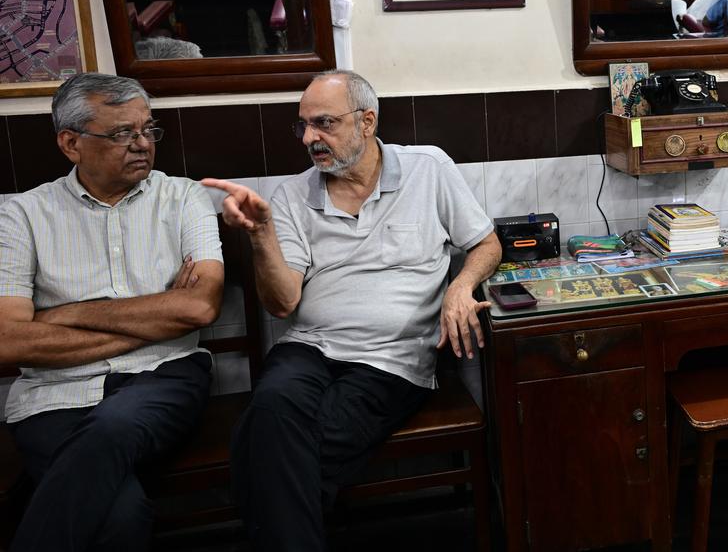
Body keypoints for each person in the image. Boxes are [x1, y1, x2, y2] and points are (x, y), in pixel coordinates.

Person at [202, 70, 501, 552]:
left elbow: (486, 244)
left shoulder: (428, 168)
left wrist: (461, 284)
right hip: (307, 348)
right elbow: (283, 304)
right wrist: (261, 237)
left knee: (275, 448)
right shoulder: (292, 196)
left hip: (391, 360)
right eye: (301, 126)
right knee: (273, 409)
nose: (309, 138)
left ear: (367, 121)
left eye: (323, 123)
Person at [0, 73, 224, 551]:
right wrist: (158, 318)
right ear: (70, 143)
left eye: (148, 129)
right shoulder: (20, 216)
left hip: (163, 377)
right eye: (122, 133)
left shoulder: (183, 196)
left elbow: (200, 306)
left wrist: (58, 316)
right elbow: (9, 341)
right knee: (120, 517)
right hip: (53, 395)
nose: (142, 144)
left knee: (113, 425)